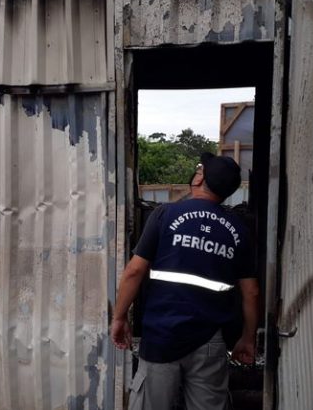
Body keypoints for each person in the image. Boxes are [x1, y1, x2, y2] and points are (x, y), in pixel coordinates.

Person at [111, 153, 259, 410]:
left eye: (199, 168)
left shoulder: (165, 214)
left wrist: (119, 317)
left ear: (201, 178)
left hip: (162, 336)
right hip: (210, 343)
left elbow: (134, 272)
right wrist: (247, 338)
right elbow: (252, 292)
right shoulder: (238, 230)